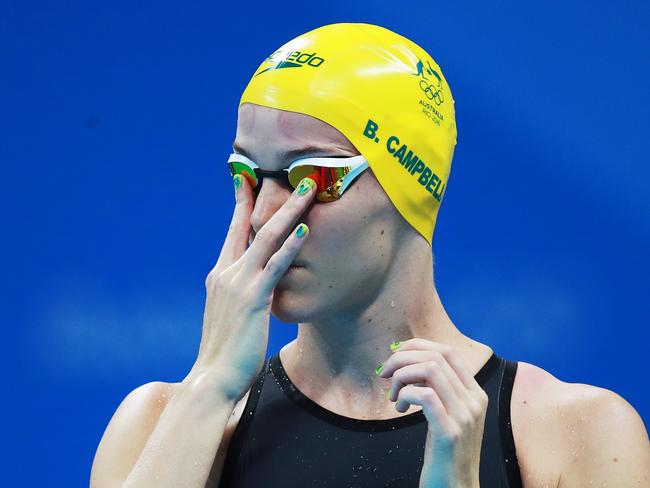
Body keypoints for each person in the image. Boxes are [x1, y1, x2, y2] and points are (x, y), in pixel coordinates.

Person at [90, 23, 649, 488]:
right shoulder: (163, 424)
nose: (264, 217)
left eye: (312, 177)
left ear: (411, 187)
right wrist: (209, 385)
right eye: (247, 175)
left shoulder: (570, 433)